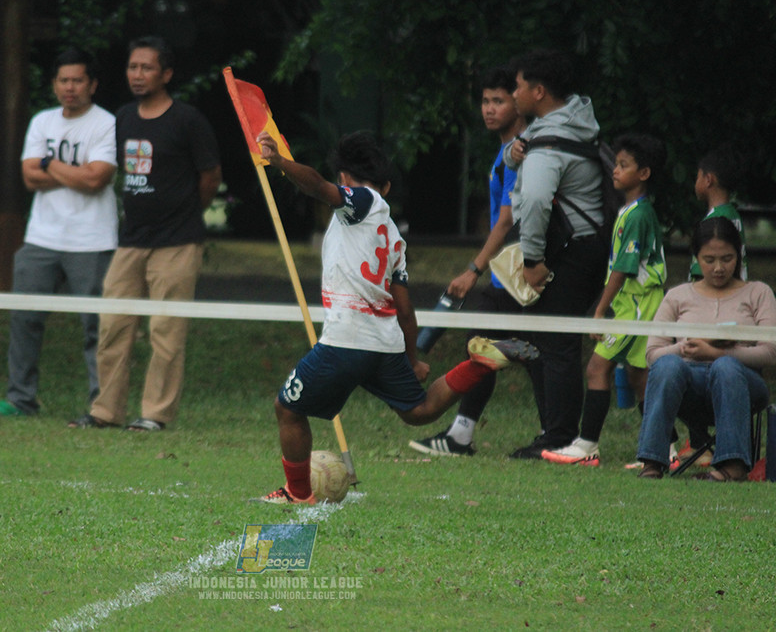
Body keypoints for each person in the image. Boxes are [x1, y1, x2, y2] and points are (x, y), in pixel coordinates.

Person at [254, 129, 539, 504]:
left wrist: (278, 163)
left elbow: (318, 188)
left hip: (347, 338)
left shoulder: (361, 200)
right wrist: (411, 358)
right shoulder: (392, 234)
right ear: (388, 185)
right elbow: (404, 308)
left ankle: (298, 492)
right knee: (418, 410)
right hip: (382, 341)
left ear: (346, 179)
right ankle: (480, 363)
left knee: (287, 409)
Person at [69, 36, 222, 431]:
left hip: (178, 241)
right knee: (113, 327)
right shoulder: (121, 117)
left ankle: (155, 414)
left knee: (166, 332)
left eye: (147, 68)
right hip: (131, 240)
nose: (137, 75)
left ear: (166, 74)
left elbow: (210, 177)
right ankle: (105, 411)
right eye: (132, 67)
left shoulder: (188, 120)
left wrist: (188, 214)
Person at [0, 47, 118, 417]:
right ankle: (20, 398)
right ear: (54, 84)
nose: (70, 87)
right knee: (25, 319)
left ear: (92, 84)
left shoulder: (106, 123)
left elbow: (96, 179)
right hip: (40, 238)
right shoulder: (42, 121)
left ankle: (101, 404)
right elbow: (29, 177)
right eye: (63, 80)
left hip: (93, 240)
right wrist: (72, 171)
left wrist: (49, 163)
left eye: (78, 80)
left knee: (96, 327)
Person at [409, 65, 526, 457]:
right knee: (488, 347)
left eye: (499, 100)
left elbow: (508, 220)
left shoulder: (520, 152)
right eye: (485, 101)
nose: (489, 109)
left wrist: (474, 268)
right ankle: (461, 434)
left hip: (518, 272)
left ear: (520, 101)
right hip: (504, 273)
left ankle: (564, 437)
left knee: (536, 351)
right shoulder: (505, 148)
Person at [501, 48, 607, 459]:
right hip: (585, 244)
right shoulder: (573, 120)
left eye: (518, 86)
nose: (513, 93)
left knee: (555, 343)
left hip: (568, 250)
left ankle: (559, 438)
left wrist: (531, 261)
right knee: (545, 337)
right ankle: (554, 432)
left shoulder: (547, 141)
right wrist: (514, 154)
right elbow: (525, 165)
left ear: (539, 91)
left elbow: (536, 201)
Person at [541, 133, 667, 466]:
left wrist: (599, 310)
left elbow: (624, 269)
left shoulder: (637, 215)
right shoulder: (632, 211)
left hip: (638, 306)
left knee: (597, 367)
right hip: (638, 305)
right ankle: (665, 449)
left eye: (624, 165)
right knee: (640, 376)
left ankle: (587, 445)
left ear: (644, 174)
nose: (616, 171)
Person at [635, 217, 776, 481]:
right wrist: (686, 347)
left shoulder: (758, 293)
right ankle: (652, 462)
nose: (719, 268)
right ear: (696, 258)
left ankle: (732, 465)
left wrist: (719, 353)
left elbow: (771, 351)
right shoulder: (677, 296)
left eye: (727, 258)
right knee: (666, 365)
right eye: (709, 260)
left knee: (725, 367)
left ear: (739, 255)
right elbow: (652, 355)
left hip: (742, 382)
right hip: (689, 382)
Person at [688, 143, 748, 282]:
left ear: (708, 179)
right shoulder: (733, 214)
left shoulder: (715, 221)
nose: (696, 183)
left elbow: (703, 274)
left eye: (698, 177)